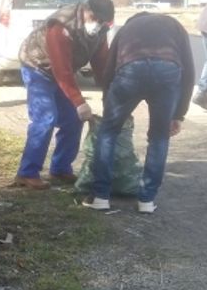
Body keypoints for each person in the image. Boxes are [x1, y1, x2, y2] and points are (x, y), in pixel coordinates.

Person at [83, 12, 195, 214]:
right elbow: (189, 73)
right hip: (167, 70)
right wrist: (178, 114)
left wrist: (109, 106)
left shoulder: (127, 29)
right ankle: (147, 200)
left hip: (131, 70)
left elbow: (108, 70)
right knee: (159, 137)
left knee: (108, 132)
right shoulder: (175, 26)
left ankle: (100, 197)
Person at [13, 0, 114, 190]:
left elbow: (102, 64)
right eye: (95, 19)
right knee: (45, 118)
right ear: (86, 11)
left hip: (62, 71)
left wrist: (109, 94)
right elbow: (62, 71)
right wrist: (79, 101)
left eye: (103, 22)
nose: (98, 24)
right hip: (37, 67)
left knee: (74, 119)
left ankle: (60, 168)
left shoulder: (100, 31)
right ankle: (27, 173)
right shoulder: (61, 26)